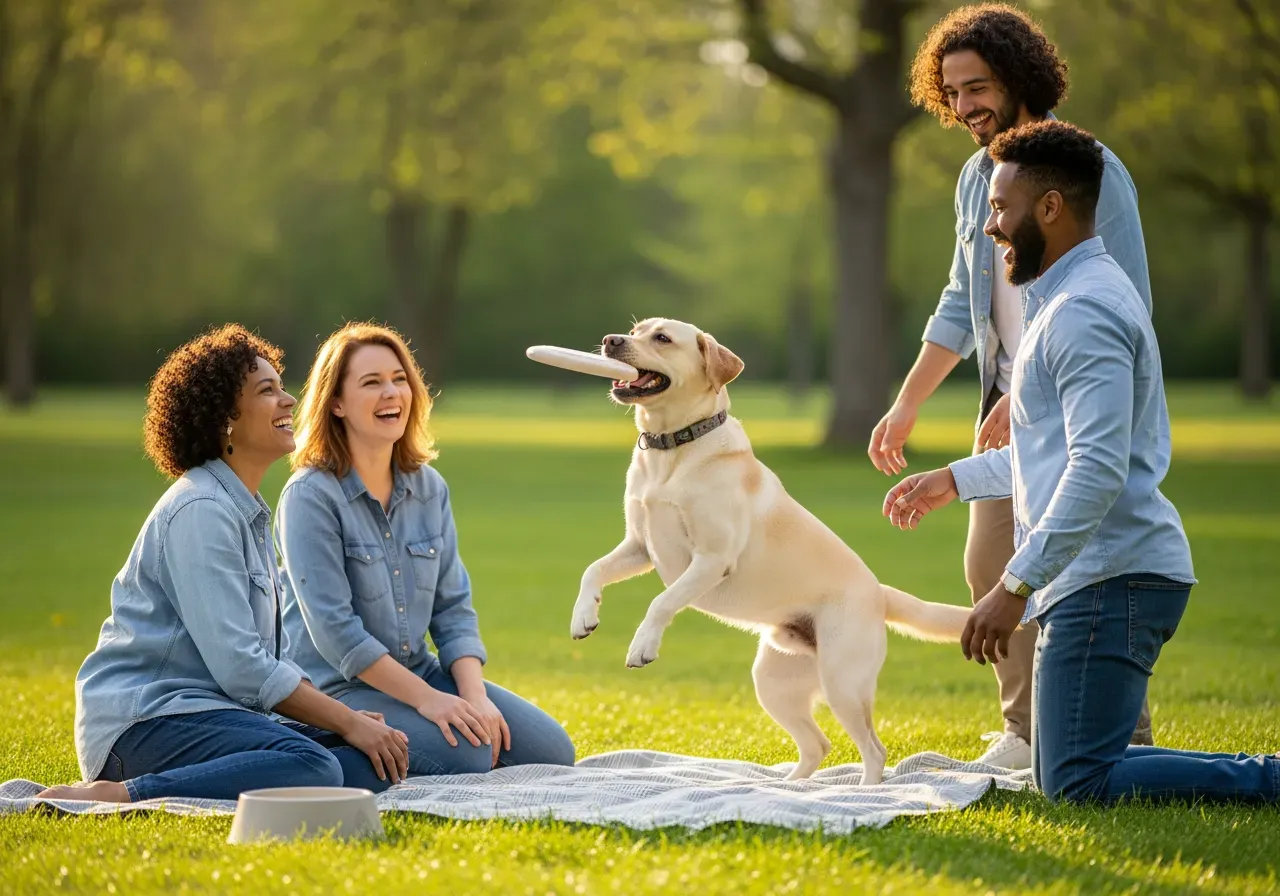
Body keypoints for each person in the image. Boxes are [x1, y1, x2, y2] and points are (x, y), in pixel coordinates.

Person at [884, 120, 1278, 804]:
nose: (991, 228)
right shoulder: (1058, 301)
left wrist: (1012, 588)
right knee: (1072, 765)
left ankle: (1268, 779)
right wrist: (955, 478)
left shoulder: (1083, 311)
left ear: (1051, 208)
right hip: (1099, 579)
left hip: (1113, 580)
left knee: (1074, 779)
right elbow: (1050, 455)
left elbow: (1094, 470)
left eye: (1001, 208)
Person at [871, 3, 1155, 769]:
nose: (965, 106)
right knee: (988, 566)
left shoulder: (1087, 168)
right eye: (953, 91)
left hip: (1069, 406)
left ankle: (1120, 737)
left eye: (979, 86)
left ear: (1021, 75)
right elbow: (960, 303)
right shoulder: (976, 179)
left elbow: (1120, 300)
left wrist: (1026, 393)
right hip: (1000, 408)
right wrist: (908, 402)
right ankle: (1028, 734)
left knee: (1078, 570)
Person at [40, 325, 410, 803]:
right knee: (315, 764)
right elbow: (242, 666)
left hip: (215, 715)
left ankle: (264, 768)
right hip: (147, 723)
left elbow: (270, 662)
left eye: (282, 387)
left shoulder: (246, 511)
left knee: (368, 764)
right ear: (225, 420)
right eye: (267, 391)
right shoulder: (201, 510)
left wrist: (347, 724)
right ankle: (123, 794)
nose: (289, 400)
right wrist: (345, 718)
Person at [276, 323, 574, 777]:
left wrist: (472, 698)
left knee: (552, 750)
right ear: (336, 403)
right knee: (468, 755)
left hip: (420, 671)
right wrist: (431, 703)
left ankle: (414, 729)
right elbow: (337, 633)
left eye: (399, 379)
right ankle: (313, 746)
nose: (391, 393)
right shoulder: (310, 496)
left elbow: (453, 609)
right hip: (337, 688)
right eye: (371, 383)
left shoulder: (428, 487)